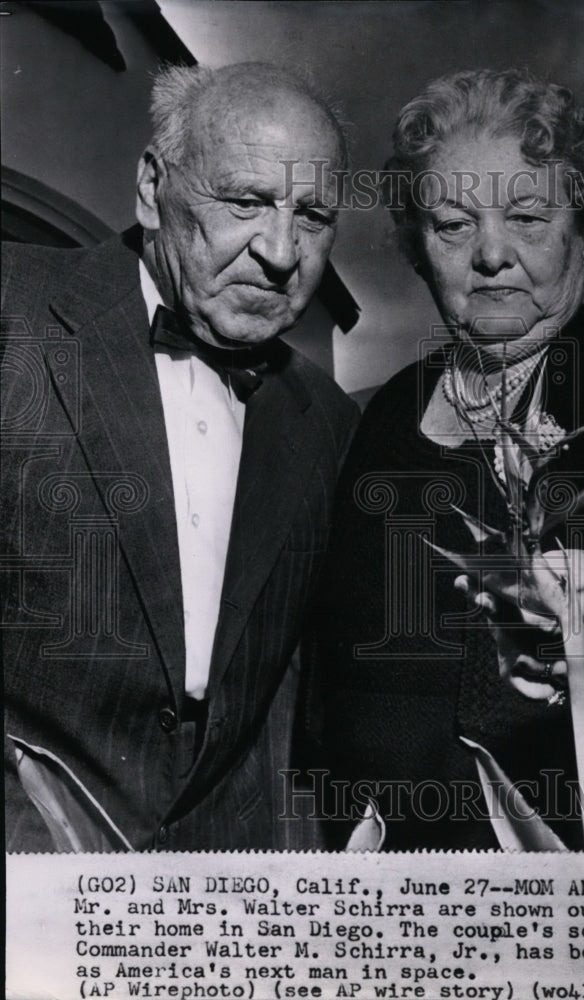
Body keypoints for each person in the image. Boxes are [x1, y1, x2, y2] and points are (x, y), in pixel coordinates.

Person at [300, 68, 584, 851]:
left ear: (583, 229)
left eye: (527, 215)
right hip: (388, 896)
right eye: (454, 224)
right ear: (420, 250)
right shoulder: (385, 414)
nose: (491, 253)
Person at [2, 62, 359, 852]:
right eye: (245, 201)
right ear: (150, 187)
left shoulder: (328, 423)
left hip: (212, 911)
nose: (279, 250)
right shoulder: (13, 312)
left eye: (313, 216)